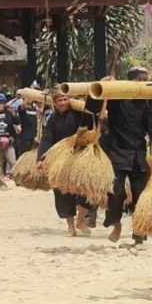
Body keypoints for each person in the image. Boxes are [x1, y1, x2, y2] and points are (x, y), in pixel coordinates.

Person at [85, 67, 152, 244]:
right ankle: (115, 223)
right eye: (140, 80)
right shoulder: (117, 97)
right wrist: (102, 85)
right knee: (116, 194)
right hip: (117, 152)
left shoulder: (147, 103)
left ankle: (139, 235)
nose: (142, 84)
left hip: (139, 155)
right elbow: (92, 107)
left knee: (140, 196)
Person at [35, 88, 94, 236]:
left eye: (65, 99)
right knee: (62, 193)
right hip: (60, 159)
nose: (63, 103)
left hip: (80, 155)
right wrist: (40, 159)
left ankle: (81, 220)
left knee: (86, 190)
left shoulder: (80, 114)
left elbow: (92, 126)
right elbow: (46, 139)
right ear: (54, 103)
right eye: (59, 101)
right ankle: (70, 226)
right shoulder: (53, 119)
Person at [0, 93, 18, 190]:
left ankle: (18, 180)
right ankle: (2, 183)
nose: (1, 104)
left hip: (8, 140)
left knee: (13, 162)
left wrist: (13, 114)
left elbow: (17, 121)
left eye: (2, 102)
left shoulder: (8, 112)